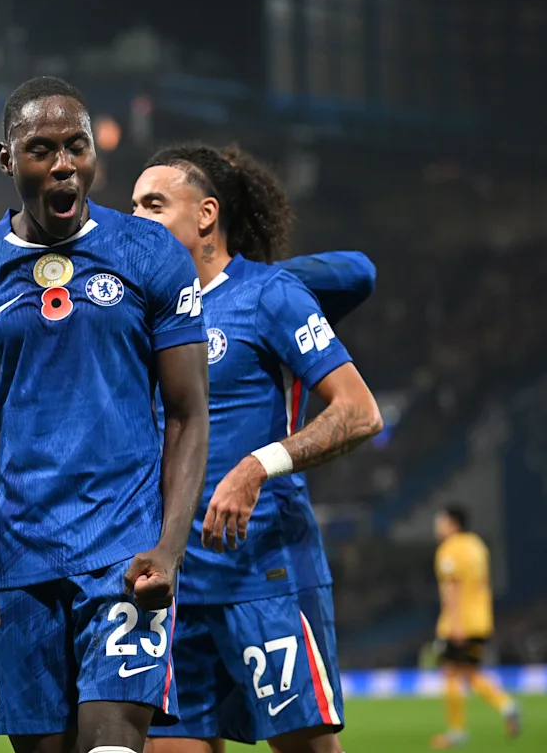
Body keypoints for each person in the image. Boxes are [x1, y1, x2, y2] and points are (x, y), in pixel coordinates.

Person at [0, 76, 211, 753]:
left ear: (94, 156)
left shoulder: (151, 256)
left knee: (110, 746)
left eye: (76, 146)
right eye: (42, 149)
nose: (63, 164)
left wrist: (169, 548)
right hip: (21, 563)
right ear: (7, 160)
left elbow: (189, 414)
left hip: (123, 553)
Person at [131, 144, 384, 753]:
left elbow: (359, 411)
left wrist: (256, 466)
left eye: (155, 204)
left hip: (262, 572)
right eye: (132, 205)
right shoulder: (143, 318)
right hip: (171, 581)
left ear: (207, 214)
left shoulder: (268, 295)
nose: (136, 219)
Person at [430, 506, 520, 749]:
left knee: (451, 672)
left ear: (453, 523)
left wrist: (455, 625)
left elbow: (453, 589)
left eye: (441, 521)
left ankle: (457, 731)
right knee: (469, 673)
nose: (437, 526)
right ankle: (507, 706)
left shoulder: (450, 550)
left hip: (460, 623)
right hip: (480, 620)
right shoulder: (477, 546)